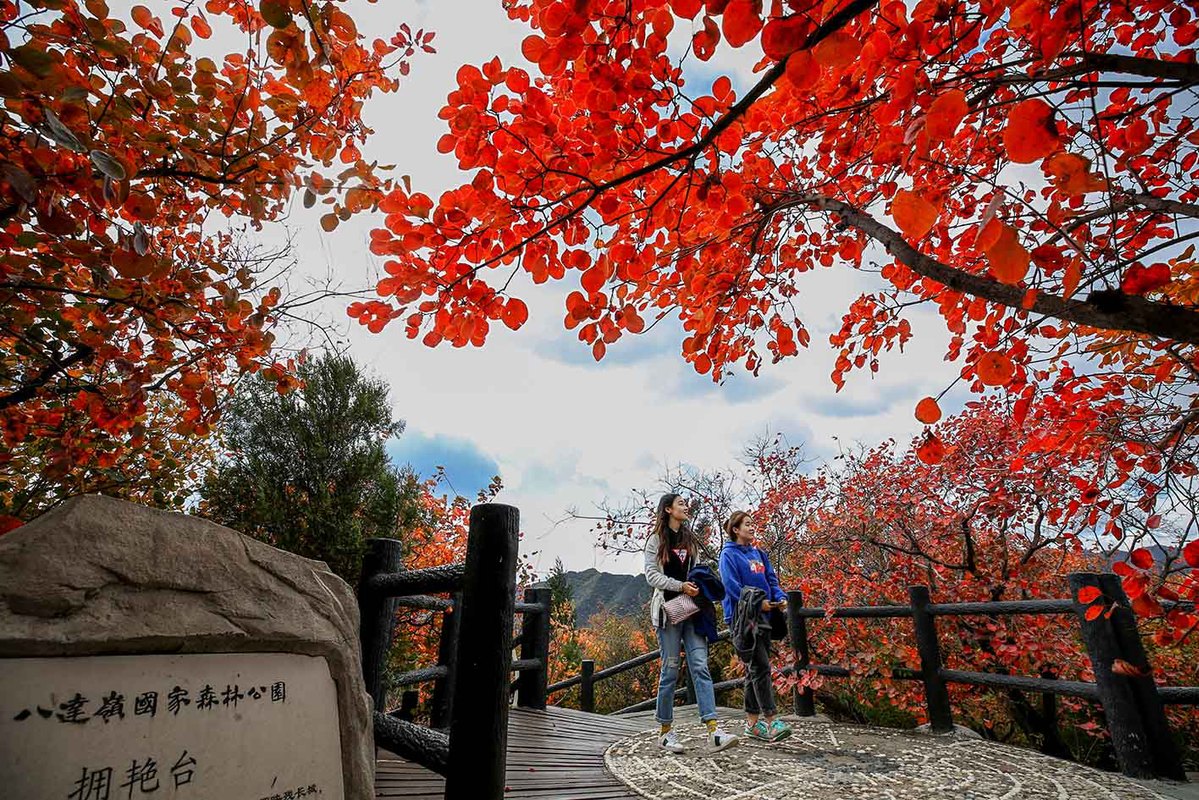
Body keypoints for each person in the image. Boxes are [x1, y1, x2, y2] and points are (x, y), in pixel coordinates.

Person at [644, 493, 739, 754]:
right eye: (681, 504)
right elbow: (651, 575)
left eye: (686, 504)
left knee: (700, 666)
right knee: (671, 669)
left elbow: (697, 570)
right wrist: (679, 585)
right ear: (667, 510)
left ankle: (713, 730)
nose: (686, 507)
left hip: (691, 609)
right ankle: (665, 731)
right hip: (667, 610)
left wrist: (696, 586)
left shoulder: (690, 540)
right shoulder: (655, 541)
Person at [718, 511, 793, 743]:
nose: (752, 528)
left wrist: (780, 597)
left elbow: (772, 580)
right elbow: (731, 587)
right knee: (760, 666)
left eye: (752, 524)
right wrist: (757, 603)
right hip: (743, 618)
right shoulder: (727, 555)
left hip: (766, 616)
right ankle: (772, 721)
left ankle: (752, 724)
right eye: (747, 525)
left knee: (754, 668)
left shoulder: (759, 553)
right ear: (735, 530)